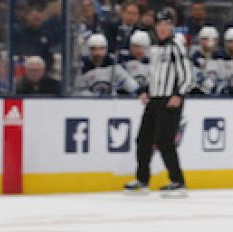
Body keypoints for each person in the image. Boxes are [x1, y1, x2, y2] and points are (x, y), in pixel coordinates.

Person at [124, 7, 193, 198]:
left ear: (172, 26)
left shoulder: (176, 46)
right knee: (143, 139)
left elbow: (187, 74)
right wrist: (146, 90)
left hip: (170, 99)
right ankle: (143, 179)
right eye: (159, 24)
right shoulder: (154, 47)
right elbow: (153, 74)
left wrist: (179, 94)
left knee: (164, 141)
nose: (162, 28)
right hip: (154, 99)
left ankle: (178, 181)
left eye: (166, 24)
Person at [73, 33, 139, 96]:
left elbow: (128, 82)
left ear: (106, 49)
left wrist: (138, 91)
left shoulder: (114, 66)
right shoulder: (83, 68)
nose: (97, 52)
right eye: (93, 49)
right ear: (89, 50)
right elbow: (79, 90)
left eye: (101, 48)